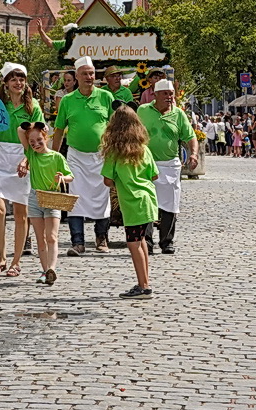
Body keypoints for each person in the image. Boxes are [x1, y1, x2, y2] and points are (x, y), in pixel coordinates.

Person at [0, 62, 41, 278]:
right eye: (13, 79)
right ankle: (2, 257)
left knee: (22, 213)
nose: (18, 83)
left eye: (21, 78)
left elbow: (39, 140)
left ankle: (16, 261)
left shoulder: (33, 107)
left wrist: (27, 160)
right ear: (5, 83)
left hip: (22, 159)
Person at [51, 56, 114, 255]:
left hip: (101, 156)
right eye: (85, 74)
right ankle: (77, 242)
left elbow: (114, 127)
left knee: (102, 197)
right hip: (76, 157)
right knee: (74, 198)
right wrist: (53, 157)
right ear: (76, 76)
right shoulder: (68, 101)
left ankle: (101, 238)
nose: (89, 77)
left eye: (92, 73)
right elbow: (59, 130)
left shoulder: (106, 97)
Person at [102, 104, 158, 299]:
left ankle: (143, 287)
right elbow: (154, 175)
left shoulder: (114, 153)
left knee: (134, 244)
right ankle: (144, 282)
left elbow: (107, 180)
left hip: (132, 202)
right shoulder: (144, 149)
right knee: (142, 242)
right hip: (148, 200)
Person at [139, 80, 193, 254]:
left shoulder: (178, 114)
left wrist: (193, 153)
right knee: (147, 203)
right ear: (156, 95)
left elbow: (190, 136)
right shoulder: (143, 110)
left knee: (170, 204)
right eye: (166, 94)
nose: (170, 97)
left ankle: (166, 241)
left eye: (171, 94)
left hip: (170, 165)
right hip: (146, 164)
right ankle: (147, 241)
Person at [19, 121, 71, 285]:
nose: (36, 145)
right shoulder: (31, 155)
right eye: (32, 142)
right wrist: (33, 126)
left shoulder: (56, 157)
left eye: (39, 140)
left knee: (51, 236)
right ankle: (44, 271)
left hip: (53, 197)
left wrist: (62, 177)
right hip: (35, 197)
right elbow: (20, 130)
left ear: (46, 138)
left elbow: (70, 176)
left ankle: (52, 268)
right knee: (40, 238)